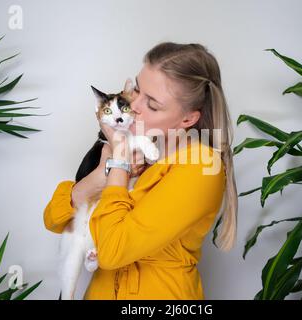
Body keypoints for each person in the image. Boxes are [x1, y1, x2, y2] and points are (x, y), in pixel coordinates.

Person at [43, 42, 238, 300]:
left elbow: (112, 251)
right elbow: (54, 218)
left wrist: (120, 159)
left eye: (153, 105)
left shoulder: (202, 167)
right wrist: (102, 174)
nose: (133, 105)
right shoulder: (145, 149)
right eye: (137, 89)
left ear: (188, 120)